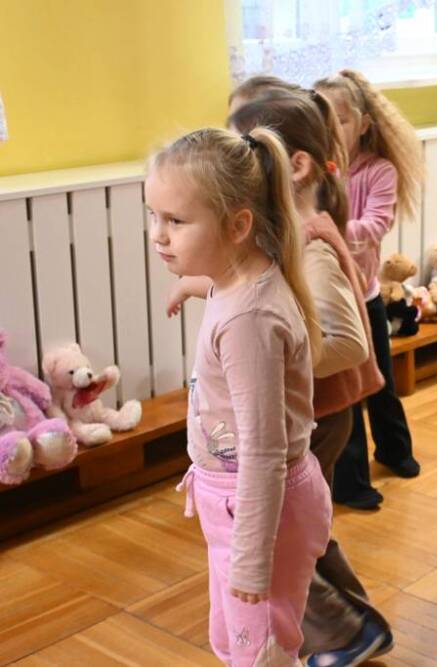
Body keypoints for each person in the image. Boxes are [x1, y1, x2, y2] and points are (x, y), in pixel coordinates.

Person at [149, 126, 334, 665]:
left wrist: (253, 559)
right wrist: (194, 285)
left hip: (258, 510)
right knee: (235, 642)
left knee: (263, 655)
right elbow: (229, 288)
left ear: (237, 225)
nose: (158, 235)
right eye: (153, 216)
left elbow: (263, 451)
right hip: (234, 504)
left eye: (176, 221)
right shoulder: (237, 283)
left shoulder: (248, 320)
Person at [229, 88, 395, 667]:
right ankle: (357, 623)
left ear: (295, 165)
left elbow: (349, 343)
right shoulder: (289, 235)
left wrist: (274, 364)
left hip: (318, 416)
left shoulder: (312, 245)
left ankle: (342, 633)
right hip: (310, 413)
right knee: (305, 528)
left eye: (243, 154)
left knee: (278, 536)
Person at [314, 70, 425, 509]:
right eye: (324, 120)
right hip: (331, 306)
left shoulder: (379, 171)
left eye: (340, 120)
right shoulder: (314, 172)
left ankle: (395, 450)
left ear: (362, 124)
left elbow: (375, 225)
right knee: (347, 394)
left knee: (381, 385)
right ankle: (351, 483)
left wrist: (326, 230)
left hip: (366, 298)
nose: (332, 130)